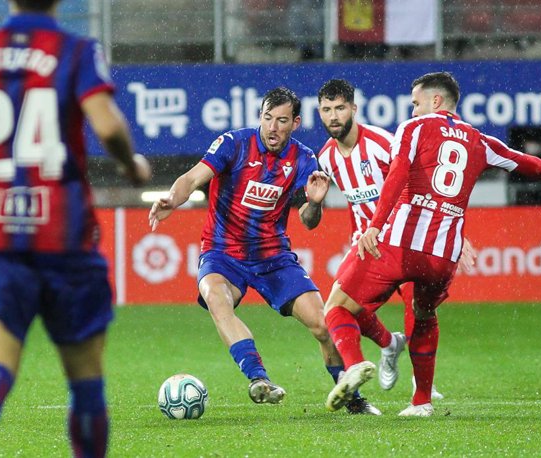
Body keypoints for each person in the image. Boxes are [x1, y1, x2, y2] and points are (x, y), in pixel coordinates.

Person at [323, 71, 541, 417]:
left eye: (416, 103)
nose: (413, 110)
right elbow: (523, 162)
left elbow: (397, 174)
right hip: (443, 254)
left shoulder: (413, 129)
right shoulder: (478, 139)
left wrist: (376, 226)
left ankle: (354, 364)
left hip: (399, 243)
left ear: (435, 101)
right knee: (425, 315)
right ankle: (422, 401)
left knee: (337, 306)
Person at [0, 1, 152, 456]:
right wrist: (130, 164)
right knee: (86, 377)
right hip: (64, 235)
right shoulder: (74, 49)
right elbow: (106, 124)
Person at [148, 87, 380, 415]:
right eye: (267, 118)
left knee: (324, 326)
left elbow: (309, 221)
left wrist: (315, 203)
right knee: (216, 298)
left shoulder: (303, 159)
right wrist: (172, 197)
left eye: (281, 120)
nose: (272, 127)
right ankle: (258, 379)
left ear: (295, 123)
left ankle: (352, 399)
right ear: (260, 117)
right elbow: (192, 178)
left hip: (272, 256)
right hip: (222, 253)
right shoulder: (234, 144)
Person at [316, 79, 477, 400]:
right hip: (366, 242)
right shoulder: (326, 158)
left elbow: (421, 180)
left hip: (406, 238)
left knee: (417, 310)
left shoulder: (383, 142)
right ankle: (389, 345)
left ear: (354, 109)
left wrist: (455, 231)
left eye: (339, 108)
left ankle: (421, 387)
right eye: (326, 110)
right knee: (340, 306)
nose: (333, 116)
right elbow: (341, 203)